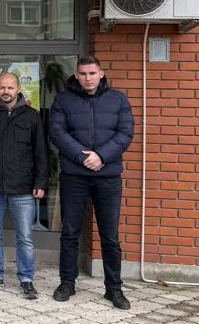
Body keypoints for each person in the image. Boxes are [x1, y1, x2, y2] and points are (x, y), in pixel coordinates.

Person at [49, 55, 135, 310]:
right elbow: (57, 132)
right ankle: (67, 283)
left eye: (92, 73)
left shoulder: (118, 100)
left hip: (108, 176)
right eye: (83, 74)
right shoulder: (63, 100)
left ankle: (114, 288)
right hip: (74, 176)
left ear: (101, 73)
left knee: (110, 236)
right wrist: (82, 156)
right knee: (70, 233)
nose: (88, 78)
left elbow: (125, 133)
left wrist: (101, 157)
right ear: (76, 75)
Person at [0, 72, 49, 300]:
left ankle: (26, 279)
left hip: (23, 188)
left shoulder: (32, 117)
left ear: (18, 89)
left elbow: (41, 153)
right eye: (2, 87)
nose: (6, 92)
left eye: (10, 87)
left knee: (25, 237)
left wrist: (40, 182)